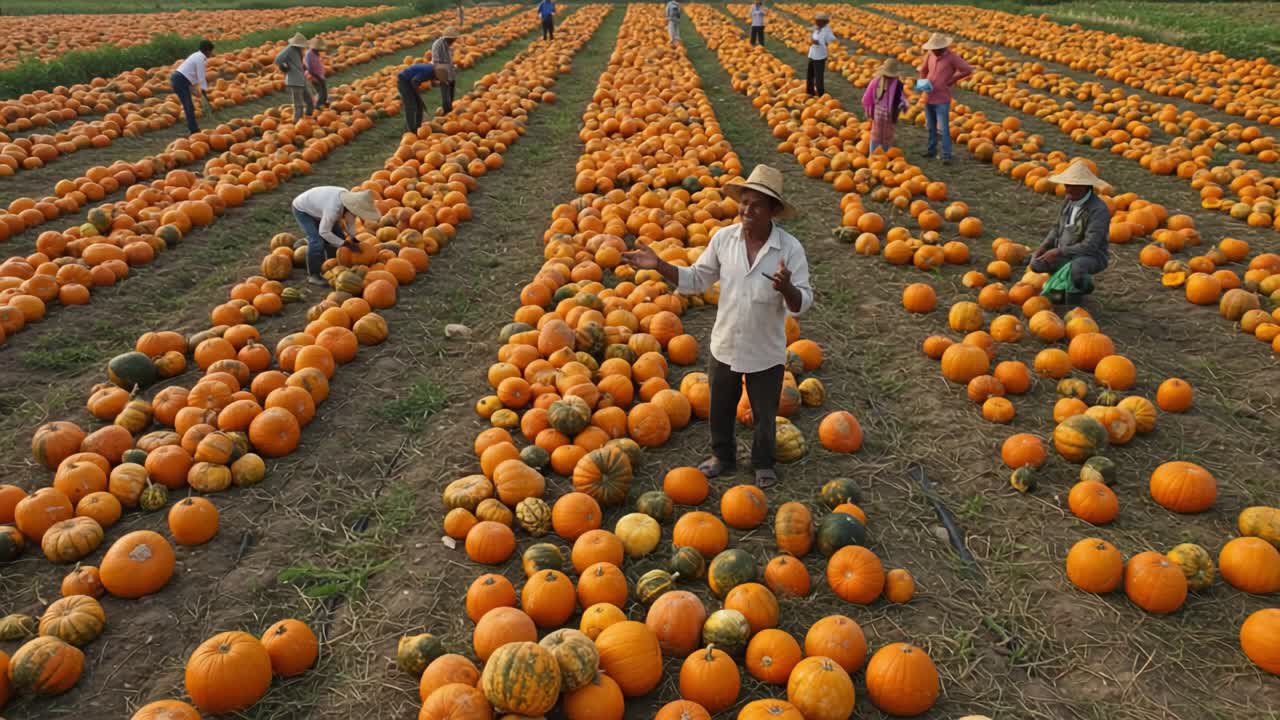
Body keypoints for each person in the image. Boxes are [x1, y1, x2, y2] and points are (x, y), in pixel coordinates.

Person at [620, 165, 813, 487]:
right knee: (720, 406)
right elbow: (697, 279)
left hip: (765, 349)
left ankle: (763, 462)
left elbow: (804, 302)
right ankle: (722, 455)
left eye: (757, 205)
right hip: (725, 342)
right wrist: (660, 265)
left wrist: (787, 289)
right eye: (745, 202)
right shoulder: (724, 239)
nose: (747, 210)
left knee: (765, 412)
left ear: (773, 211)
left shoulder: (790, 249)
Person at [1030, 160, 1111, 303]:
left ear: (1085, 187)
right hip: (1065, 250)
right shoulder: (1069, 200)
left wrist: (1057, 252)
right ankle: (1060, 290)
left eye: (1071, 186)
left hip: (1091, 256)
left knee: (1077, 268)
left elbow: (1090, 246)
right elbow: (1057, 228)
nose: (1067, 189)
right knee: (1037, 264)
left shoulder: (1098, 210)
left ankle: (1083, 287)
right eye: (1066, 185)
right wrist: (1043, 247)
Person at [291, 187, 382, 285]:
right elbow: (324, 232)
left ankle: (331, 263)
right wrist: (346, 244)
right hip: (302, 209)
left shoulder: (348, 203)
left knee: (338, 235)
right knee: (316, 241)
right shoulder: (333, 209)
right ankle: (313, 275)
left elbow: (350, 222)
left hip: (320, 208)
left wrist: (353, 239)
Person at [917, 33, 972, 164]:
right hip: (929, 95)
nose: (934, 51)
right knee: (931, 126)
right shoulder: (930, 54)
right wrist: (922, 81)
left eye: (936, 49)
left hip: (942, 98)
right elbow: (923, 70)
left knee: (943, 129)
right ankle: (931, 150)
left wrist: (952, 80)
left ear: (942, 48)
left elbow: (967, 69)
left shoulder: (952, 58)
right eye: (933, 49)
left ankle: (946, 155)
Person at [862, 59, 913, 154]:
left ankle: (886, 154)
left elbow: (901, 97)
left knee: (888, 134)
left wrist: (903, 104)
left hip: (890, 114)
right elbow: (868, 97)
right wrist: (868, 110)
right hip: (879, 113)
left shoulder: (897, 84)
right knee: (876, 134)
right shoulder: (876, 82)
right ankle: (873, 155)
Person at [171, 40, 214, 135]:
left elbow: (193, 75)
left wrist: (196, 90)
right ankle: (193, 130)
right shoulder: (200, 58)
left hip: (182, 79)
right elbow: (201, 76)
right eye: (211, 51)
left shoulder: (197, 55)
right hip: (180, 80)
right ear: (208, 51)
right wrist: (203, 91)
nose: (212, 53)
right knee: (188, 106)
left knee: (189, 105)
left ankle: (193, 128)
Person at [277, 33, 313, 119]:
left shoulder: (297, 50)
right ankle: (297, 121)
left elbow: (299, 63)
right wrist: (285, 67)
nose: (303, 47)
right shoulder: (289, 49)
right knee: (298, 104)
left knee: (309, 100)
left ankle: (309, 117)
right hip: (295, 81)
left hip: (301, 79)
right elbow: (278, 59)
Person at [397, 62, 436, 134]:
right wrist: (417, 94)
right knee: (410, 105)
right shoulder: (428, 72)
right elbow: (414, 81)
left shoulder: (432, 69)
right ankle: (411, 129)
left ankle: (418, 126)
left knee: (419, 104)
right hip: (404, 81)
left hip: (409, 81)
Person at [432, 27, 460, 114]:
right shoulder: (437, 44)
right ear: (447, 38)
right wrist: (441, 75)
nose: (453, 41)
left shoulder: (447, 45)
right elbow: (435, 61)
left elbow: (449, 59)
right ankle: (447, 113)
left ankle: (449, 111)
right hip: (442, 71)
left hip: (450, 71)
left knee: (451, 93)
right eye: (452, 39)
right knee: (445, 94)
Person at [806, 12, 835, 97]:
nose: (816, 22)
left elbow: (829, 40)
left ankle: (821, 94)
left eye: (818, 21)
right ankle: (810, 91)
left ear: (824, 22)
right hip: (812, 54)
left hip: (820, 55)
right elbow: (811, 32)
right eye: (816, 20)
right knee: (810, 73)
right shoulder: (817, 28)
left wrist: (818, 42)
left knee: (818, 76)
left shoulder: (827, 30)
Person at [305, 38, 328, 109]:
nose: (320, 50)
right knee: (321, 91)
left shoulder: (315, 53)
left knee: (323, 90)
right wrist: (317, 77)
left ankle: (322, 103)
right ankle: (318, 105)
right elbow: (310, 68)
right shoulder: (309, 54)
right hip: (315, 76)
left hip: (319, 75)